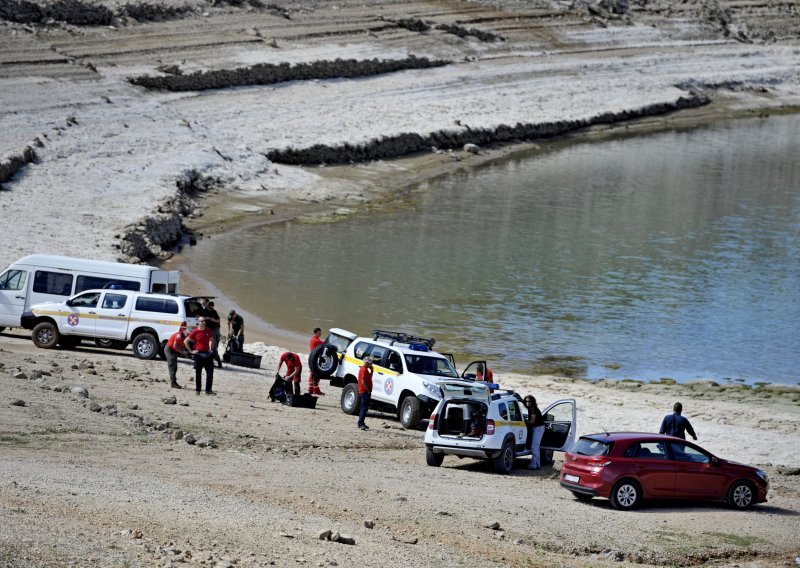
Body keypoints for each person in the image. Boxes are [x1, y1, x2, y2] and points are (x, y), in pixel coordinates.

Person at [186, 317, 215, 394]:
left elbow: (211, 339)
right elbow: (186, 341)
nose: (203, 322)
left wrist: (211, 348)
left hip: (207, 354)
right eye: (201, 321)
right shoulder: (195, 331)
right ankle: (198, 390)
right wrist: (191, 351)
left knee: (210, 373)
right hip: (198, 354)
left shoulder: (208, 330)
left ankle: (208, 391)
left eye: (204, 321)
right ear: (198, 322)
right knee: (198, 373)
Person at [524, 395, 545, 470]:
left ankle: (533, 465)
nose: (527, 403)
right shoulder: (531, 408)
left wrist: (525, 422)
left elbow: (532, 421)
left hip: (538, 428)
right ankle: (537, 464)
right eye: (526, 401)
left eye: (529, 401)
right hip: (537, 428)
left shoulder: (533, 409)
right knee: (536, 447)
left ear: (532, 402)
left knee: (534, 447)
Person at [357, 355, 374, 431]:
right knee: (364, 408)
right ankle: (361, 424)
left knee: (364, 408)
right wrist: (367, 390)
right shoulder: (363, 369)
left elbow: (369, 378)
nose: (371, 364)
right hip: (364, 391)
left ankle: (361, 423)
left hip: (365, 391)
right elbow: (363, 381)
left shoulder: (365, 369)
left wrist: (372, 371)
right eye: (370, 363)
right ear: (367, 363)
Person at [307, 327, 325, 396]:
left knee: (313, 374)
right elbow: (324, 344)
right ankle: (315, 390)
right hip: (315, 358)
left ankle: (311, 390)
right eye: (319, 332)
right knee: (316, 374)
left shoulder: (313, 339)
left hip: (313, 358)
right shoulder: (315, 340)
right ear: (316, 332)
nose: (320, 334)